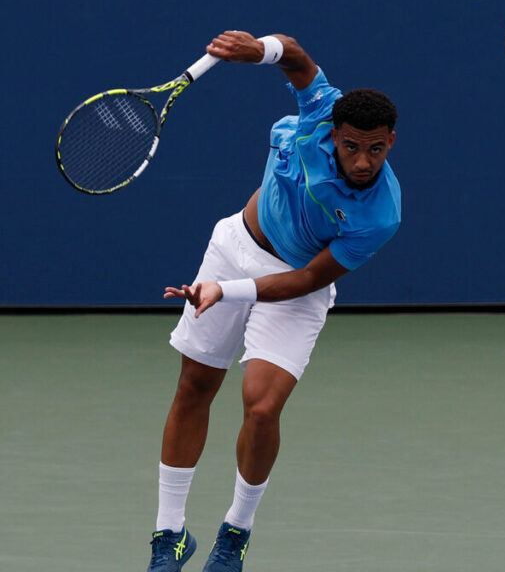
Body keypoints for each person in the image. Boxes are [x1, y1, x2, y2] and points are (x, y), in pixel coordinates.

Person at [148, 30, 400, 572]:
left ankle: (234, 533)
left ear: (390, 144)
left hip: (293, 283)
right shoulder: (320, 110)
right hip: (234, 244)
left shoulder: (379, 215)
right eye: (352, 145)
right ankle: (169, 535)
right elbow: (296, 55)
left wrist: (225, 292)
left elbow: (309, 279)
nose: (362, 160)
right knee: (195, 385)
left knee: (262, 407)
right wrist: (256, 49)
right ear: (334, 133)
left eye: (375, 149)